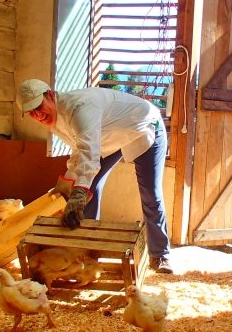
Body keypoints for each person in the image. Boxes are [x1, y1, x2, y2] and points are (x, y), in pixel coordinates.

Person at [16, 79, 174, 274]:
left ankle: (160, 255)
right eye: (31, 113)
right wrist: (67, 186)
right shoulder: (55, 119)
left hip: (143, 127)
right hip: (109, 137)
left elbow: (89, 154)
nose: (38, 115)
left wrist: (78, 193)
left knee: (150, 192)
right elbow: (79, 151)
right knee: (89, 188)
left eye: (39, 107)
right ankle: (88, 254)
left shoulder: (80, 107)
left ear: (50, 95)